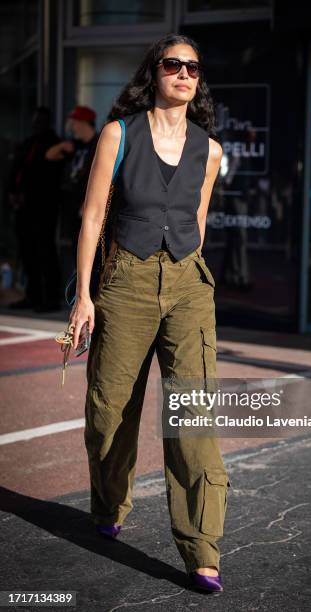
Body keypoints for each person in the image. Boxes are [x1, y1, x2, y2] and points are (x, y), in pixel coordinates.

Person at [67, 34, 231, 593]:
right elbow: (91, 218)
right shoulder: (118, 135)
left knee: (192, 415)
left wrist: (190, 273)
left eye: (193, 67)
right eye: (172, 64)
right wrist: (84, 295)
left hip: (188, 285)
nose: (184, 73)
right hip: (125, 284)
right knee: (110, 410)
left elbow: (199, 221)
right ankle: (110, 500)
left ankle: (202, 548)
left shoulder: (210, 150)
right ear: (154, 73)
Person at [7, 106, 62, 312]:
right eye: (34, 120)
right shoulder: (28, 142)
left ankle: (50, 298)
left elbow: (48, 176)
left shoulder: (53, 144)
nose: (36, 124)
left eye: (40, 120)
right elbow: (16, 170)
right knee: (27, 251)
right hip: (23, 206)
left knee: (45, 251)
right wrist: (12, 194)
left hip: (43, 206)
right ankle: (32, 295)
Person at [45, 105, 99, 266]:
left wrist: (89, 201)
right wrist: (62, 146)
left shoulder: (97, 144)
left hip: (86, 203)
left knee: (87, 248)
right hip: (71, 202)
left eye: (74, 123)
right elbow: (49, 156)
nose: (72, 127)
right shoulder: (75, 144)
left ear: (83, 123)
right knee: (74, 247)